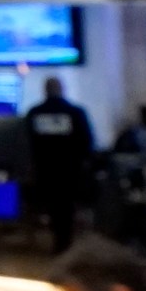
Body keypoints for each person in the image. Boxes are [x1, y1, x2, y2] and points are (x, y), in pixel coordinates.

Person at [27, 77, 95, 252]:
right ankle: (66, 243)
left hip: (45, 169)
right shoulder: (75, 112)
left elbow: (28, 142)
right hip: (70, 169)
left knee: (53, 208)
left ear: (45, 90)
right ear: (62, 89)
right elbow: (86, 141)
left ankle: (59, 242)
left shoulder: (35, 112)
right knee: (67, 208)